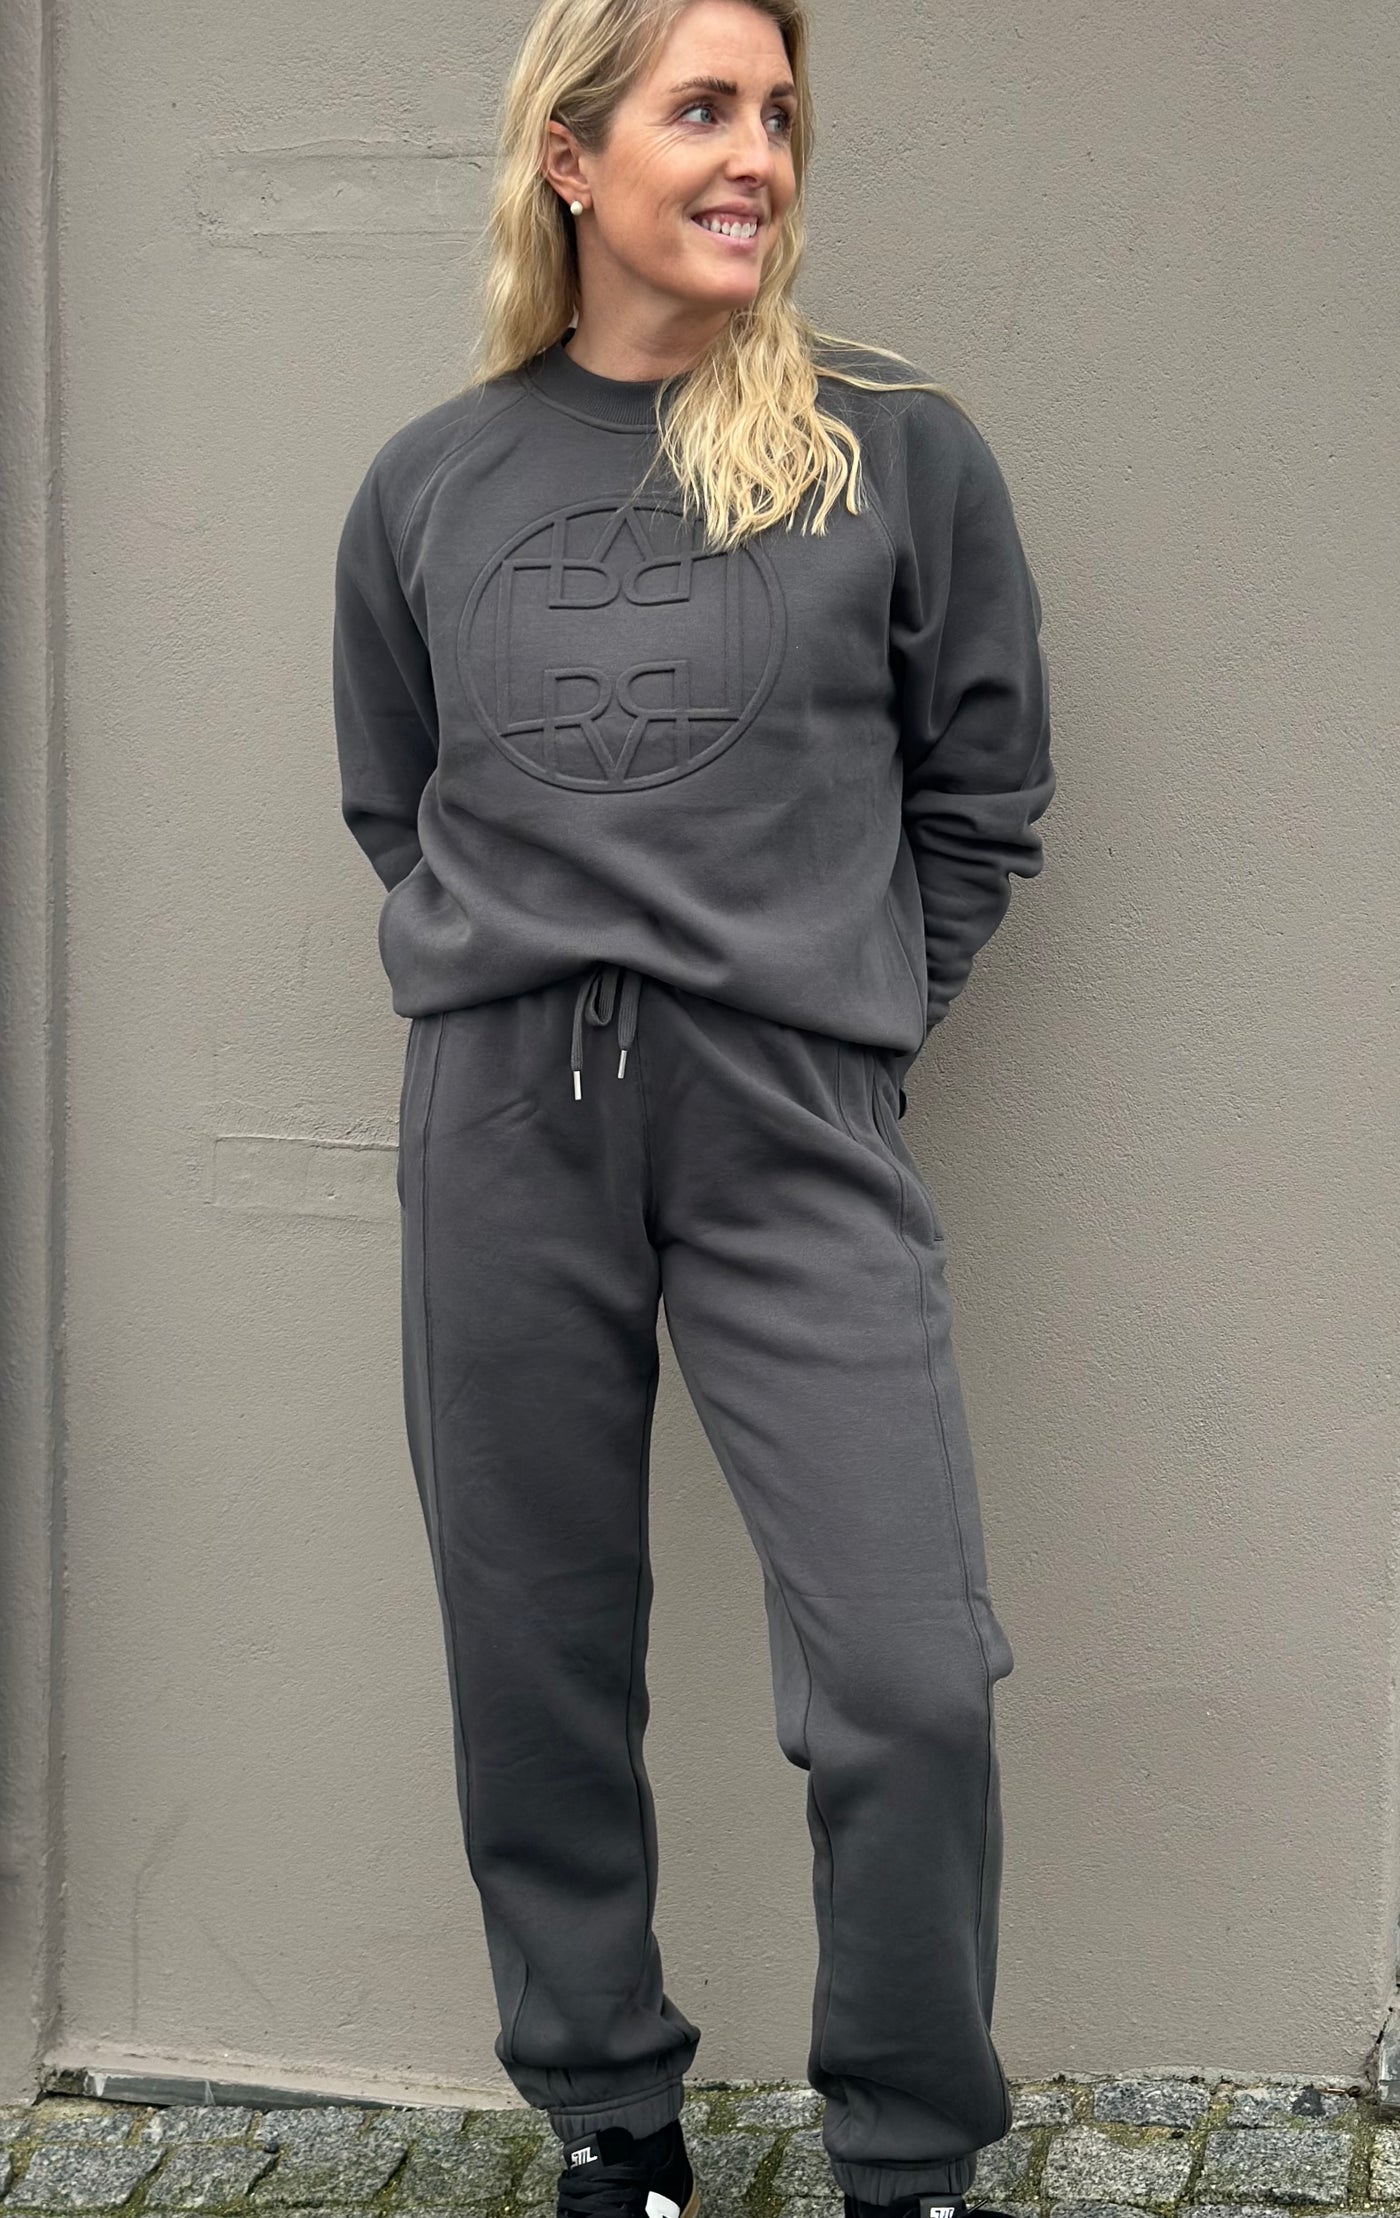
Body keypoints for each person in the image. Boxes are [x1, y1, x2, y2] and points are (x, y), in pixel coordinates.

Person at [331, 2, 1053, 2217]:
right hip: (503, 1119)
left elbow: (983, 790)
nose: (756, 155)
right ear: (571, 155)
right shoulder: (431, 482)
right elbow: (396, 799)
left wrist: (850, 1022)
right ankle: (610, 2123)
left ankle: (908, 2154)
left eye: (778, 116)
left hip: (788, 1118)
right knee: (534, 1650)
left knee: (908, 1679)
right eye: (703, 109)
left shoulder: (893, 450)